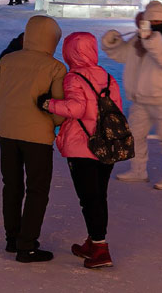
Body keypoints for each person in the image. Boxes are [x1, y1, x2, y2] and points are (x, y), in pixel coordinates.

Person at [0, 14, 67, 263]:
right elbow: (58, 109)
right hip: (37, 137)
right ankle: (27, 245)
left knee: (11, 186)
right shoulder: (55, 67)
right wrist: (52, 124)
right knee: (37, 190)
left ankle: (12, 238)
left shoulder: (8, 60)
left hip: (7, 133)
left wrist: (9, 111)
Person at [43, 31, 123, 270]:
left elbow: (76, 108)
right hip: (107, 144)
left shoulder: (73, 77)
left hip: (83, 146)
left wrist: (49, 104)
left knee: (89, 198)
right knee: (99, 195)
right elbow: (116, 108)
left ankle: (100, 247)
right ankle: (93, 240)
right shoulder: (107, 77)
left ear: (70, 52)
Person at [101, 0, 162, 189]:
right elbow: (121, 55)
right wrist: (112, 43)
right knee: (134, 136)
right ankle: (138, 170)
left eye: (158, 21)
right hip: (140, 99)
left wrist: (151, 40)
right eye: (150, 21)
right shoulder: (137, 40)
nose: (154, 25)